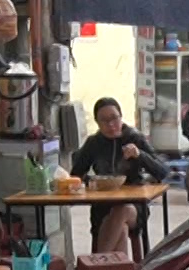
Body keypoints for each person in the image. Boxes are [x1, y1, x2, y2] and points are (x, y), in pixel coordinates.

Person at [70, 97, 168, 255]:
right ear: (97, 122)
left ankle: (97, 268)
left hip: (133, 206)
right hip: (102, 206)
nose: (110, 125)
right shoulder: (94, 143)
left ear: (121, 117)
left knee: (121, 211)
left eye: (114, 118)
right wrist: (91, 181)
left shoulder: (134, 138)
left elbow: (162, 171)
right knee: (120, 229)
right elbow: (76, 175)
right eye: (104, 120)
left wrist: (140, 155)